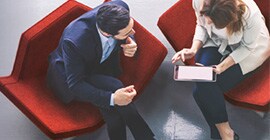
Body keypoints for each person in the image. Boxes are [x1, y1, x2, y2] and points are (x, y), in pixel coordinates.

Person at [46, 1, 155, 140]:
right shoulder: (75, 41)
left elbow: (129, 33)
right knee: (115, 88)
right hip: (73, 76)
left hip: (101, 65)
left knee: (111, 112)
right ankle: (146, 137)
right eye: (128, 32)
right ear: (107, 33)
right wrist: (113, 99)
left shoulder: (120, 5)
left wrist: (130, 40)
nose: (133, 32)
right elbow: (76, 85)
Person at [172, 0, 269, 139]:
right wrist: (193, 49)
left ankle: (222, 135)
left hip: (249, 49)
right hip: (217, 41)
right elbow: (201, 25)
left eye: (212, 21)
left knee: (200, 92)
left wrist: (221, 67)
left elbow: (247, 48)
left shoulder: (250, 15)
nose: (208, 23)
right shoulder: (199, 2)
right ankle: (226, 133)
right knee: (204, 85)